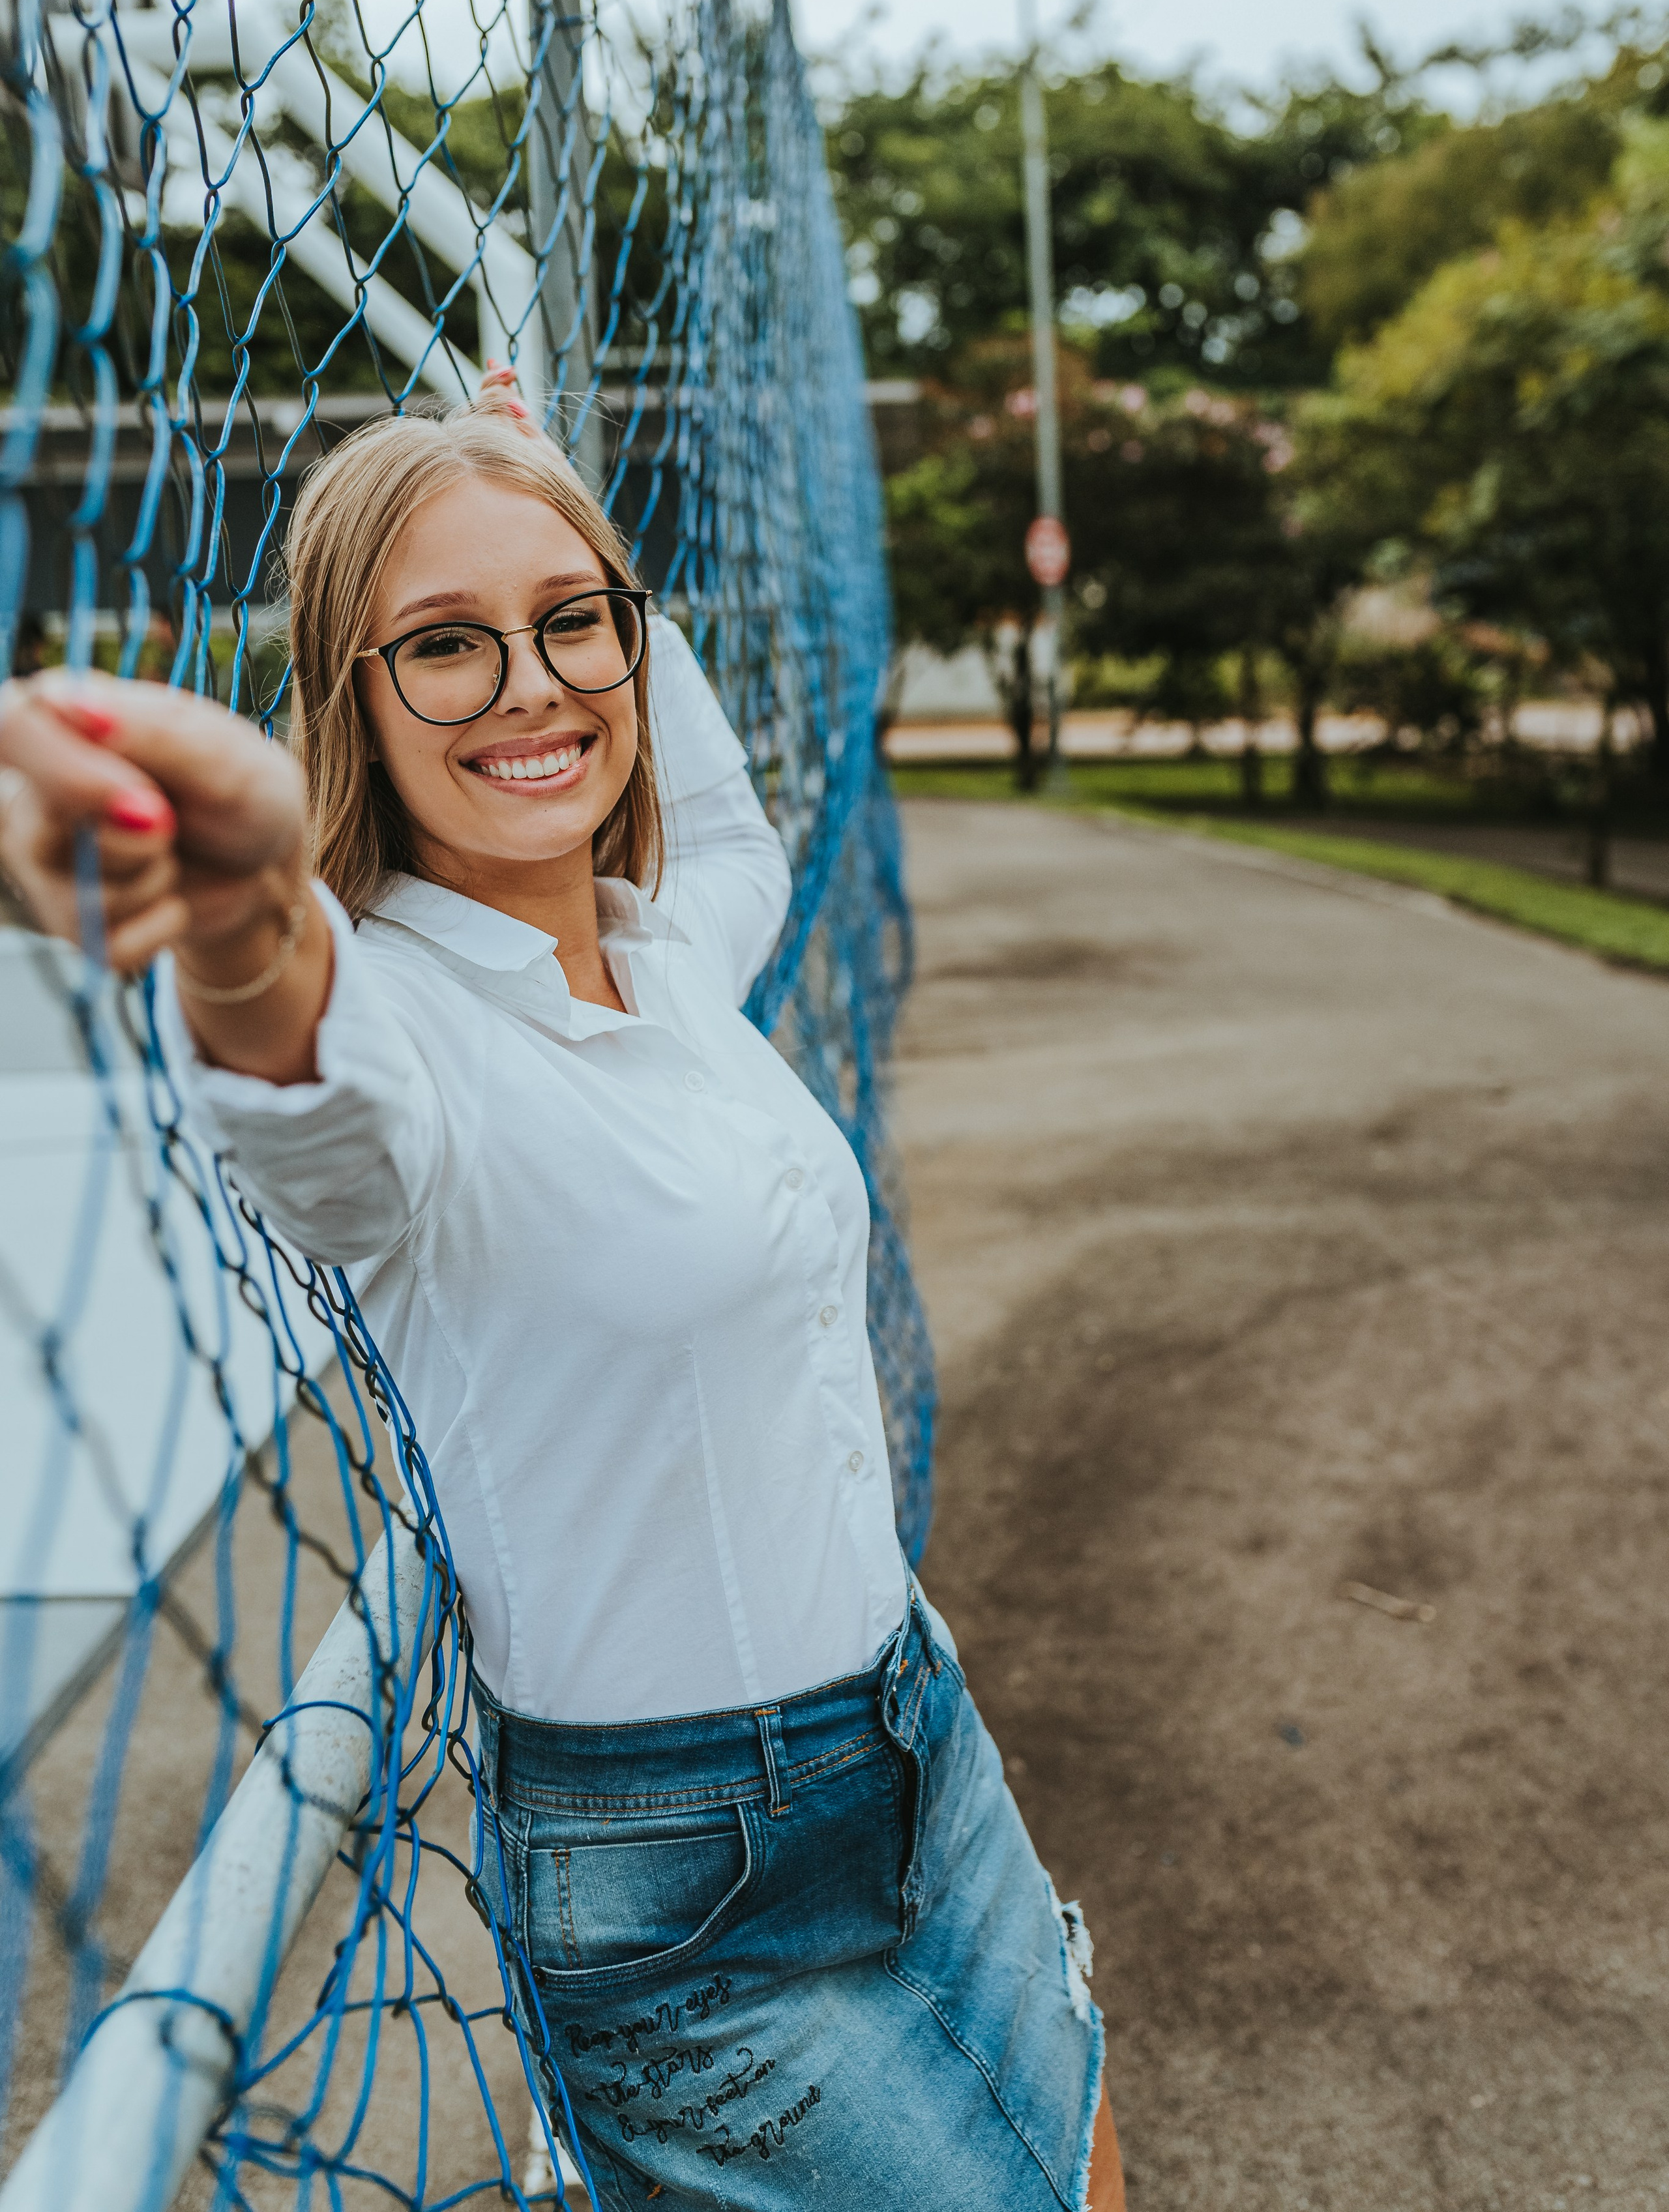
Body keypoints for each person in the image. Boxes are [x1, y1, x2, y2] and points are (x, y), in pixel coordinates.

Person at [0, 375, 1125, 2212]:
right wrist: (239, 910)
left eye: (571, 623)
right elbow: (318, 1105)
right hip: (687, 1890)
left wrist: (553, 501)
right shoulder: (400, 1026)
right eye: (446, 645)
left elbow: (730, 825)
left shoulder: (666, 953)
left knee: (1075, 2139)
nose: (529, 687)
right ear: (351, 700)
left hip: (920, 1738)